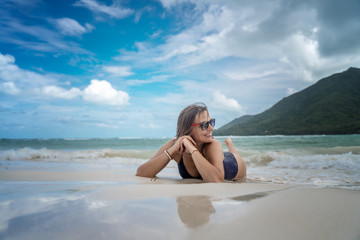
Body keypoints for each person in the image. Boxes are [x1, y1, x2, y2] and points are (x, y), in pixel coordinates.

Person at [136, 103, 246, 183]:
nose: (211, 128)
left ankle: (229, 144)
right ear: (188, 129)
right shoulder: (175, 145)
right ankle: (229, 143)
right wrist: (172, 150)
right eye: (204, 124)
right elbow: (141, 172)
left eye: (211, 122)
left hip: (233, 163)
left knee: (234, 154)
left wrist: (192, 149)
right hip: (216, 158)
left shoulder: (213, 144)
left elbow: (216, 180)